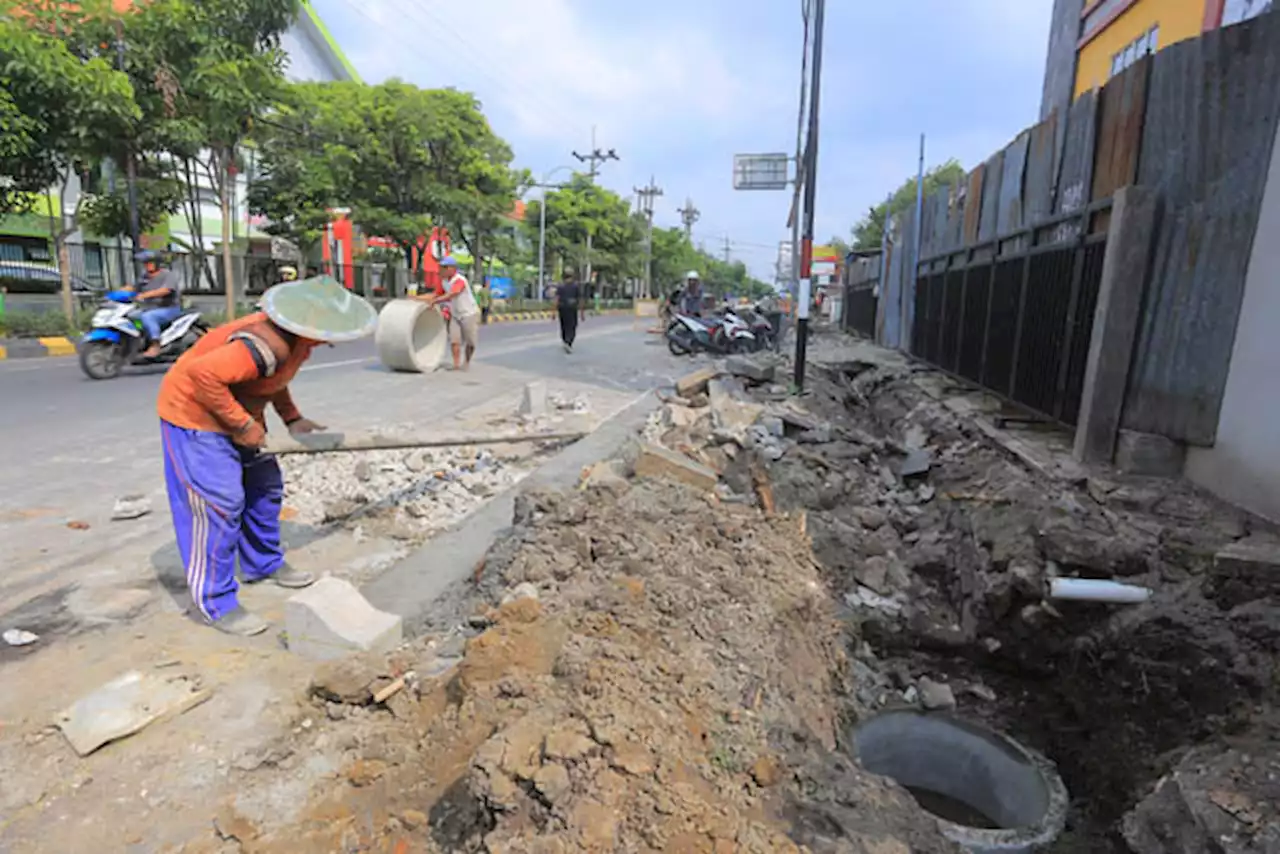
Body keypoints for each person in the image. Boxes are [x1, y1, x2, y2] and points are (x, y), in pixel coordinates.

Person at [155, 275, 378, 636]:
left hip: (235, 410)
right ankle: (216, 602)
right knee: (219, 503)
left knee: (264, 486)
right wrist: (242, 426)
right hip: (194, 416)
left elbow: (273, 379)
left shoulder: (297, 343)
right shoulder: (263, 344)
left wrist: (291, 417)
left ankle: (263, 564)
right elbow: (202, 375)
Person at [419, 256, 480, 370]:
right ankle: (456, 365)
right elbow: (435, 294)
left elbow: (453, 293)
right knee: (454, 340)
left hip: (468, 314)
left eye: (443, 268)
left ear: (452, 269)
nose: (440, 271)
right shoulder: (443, 282)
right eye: (440, 268)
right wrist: (417, 298)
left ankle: (466, 361)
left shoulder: (459, 280)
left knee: (470, 342)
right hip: (455, 314)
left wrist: (436, 301)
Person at [132, 251, 183, 358]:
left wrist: (146, 295)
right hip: (150, 308)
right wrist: (114, 294)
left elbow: (166, 290)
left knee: (148, 317)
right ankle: (139, 341)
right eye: (145, 263)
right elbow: (133, 288)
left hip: (169, 308)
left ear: (157, 263)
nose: (147, 265)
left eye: (150, 263)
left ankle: (155, 344)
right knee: (133, 316)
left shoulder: (167, 274)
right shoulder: (144, 276)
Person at [554, 269, 584, 353]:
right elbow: (580, 299)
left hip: (562, 308)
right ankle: (568, 341)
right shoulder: (576, 286)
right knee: (572, 326)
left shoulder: (560, 286)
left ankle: (565, 340)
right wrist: (582, 313)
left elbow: (556, 299)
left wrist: (553, 312)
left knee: (564, 325)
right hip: (572, 308)